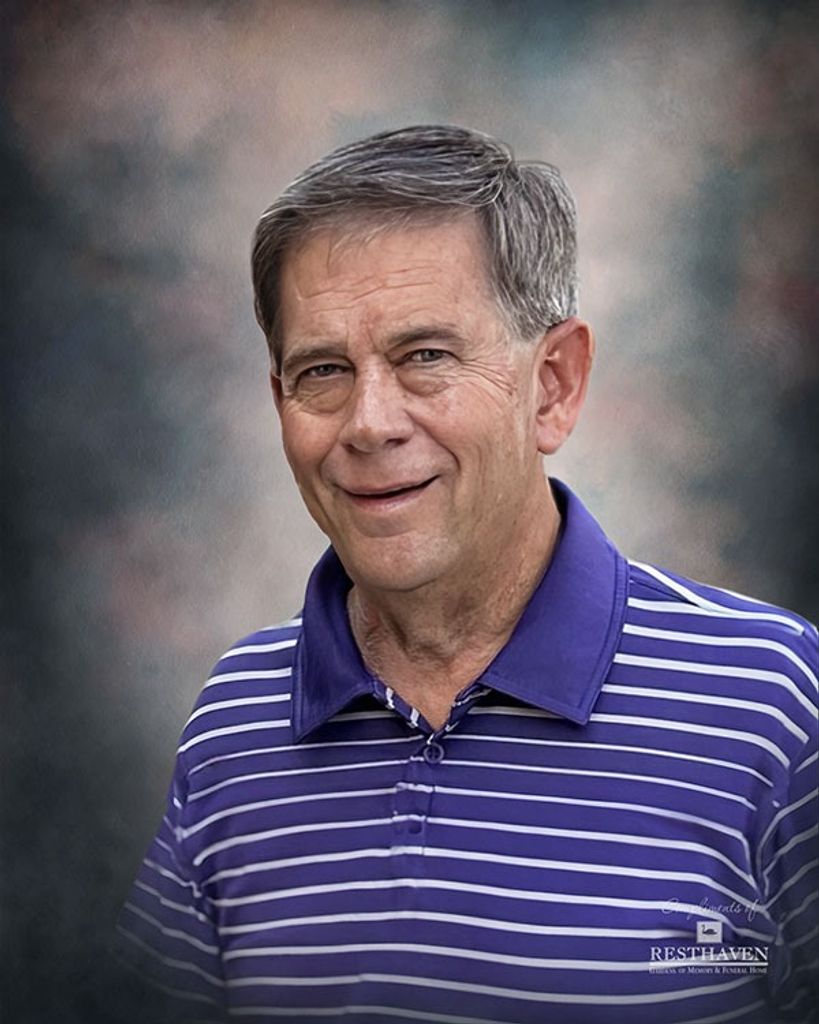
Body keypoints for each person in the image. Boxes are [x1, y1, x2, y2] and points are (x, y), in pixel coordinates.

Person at [116, 126, 818, 1024]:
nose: (369, 423)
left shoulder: (767, 700)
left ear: (553, 385)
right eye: (322, 370)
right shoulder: (237, 721)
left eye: (425, 357)